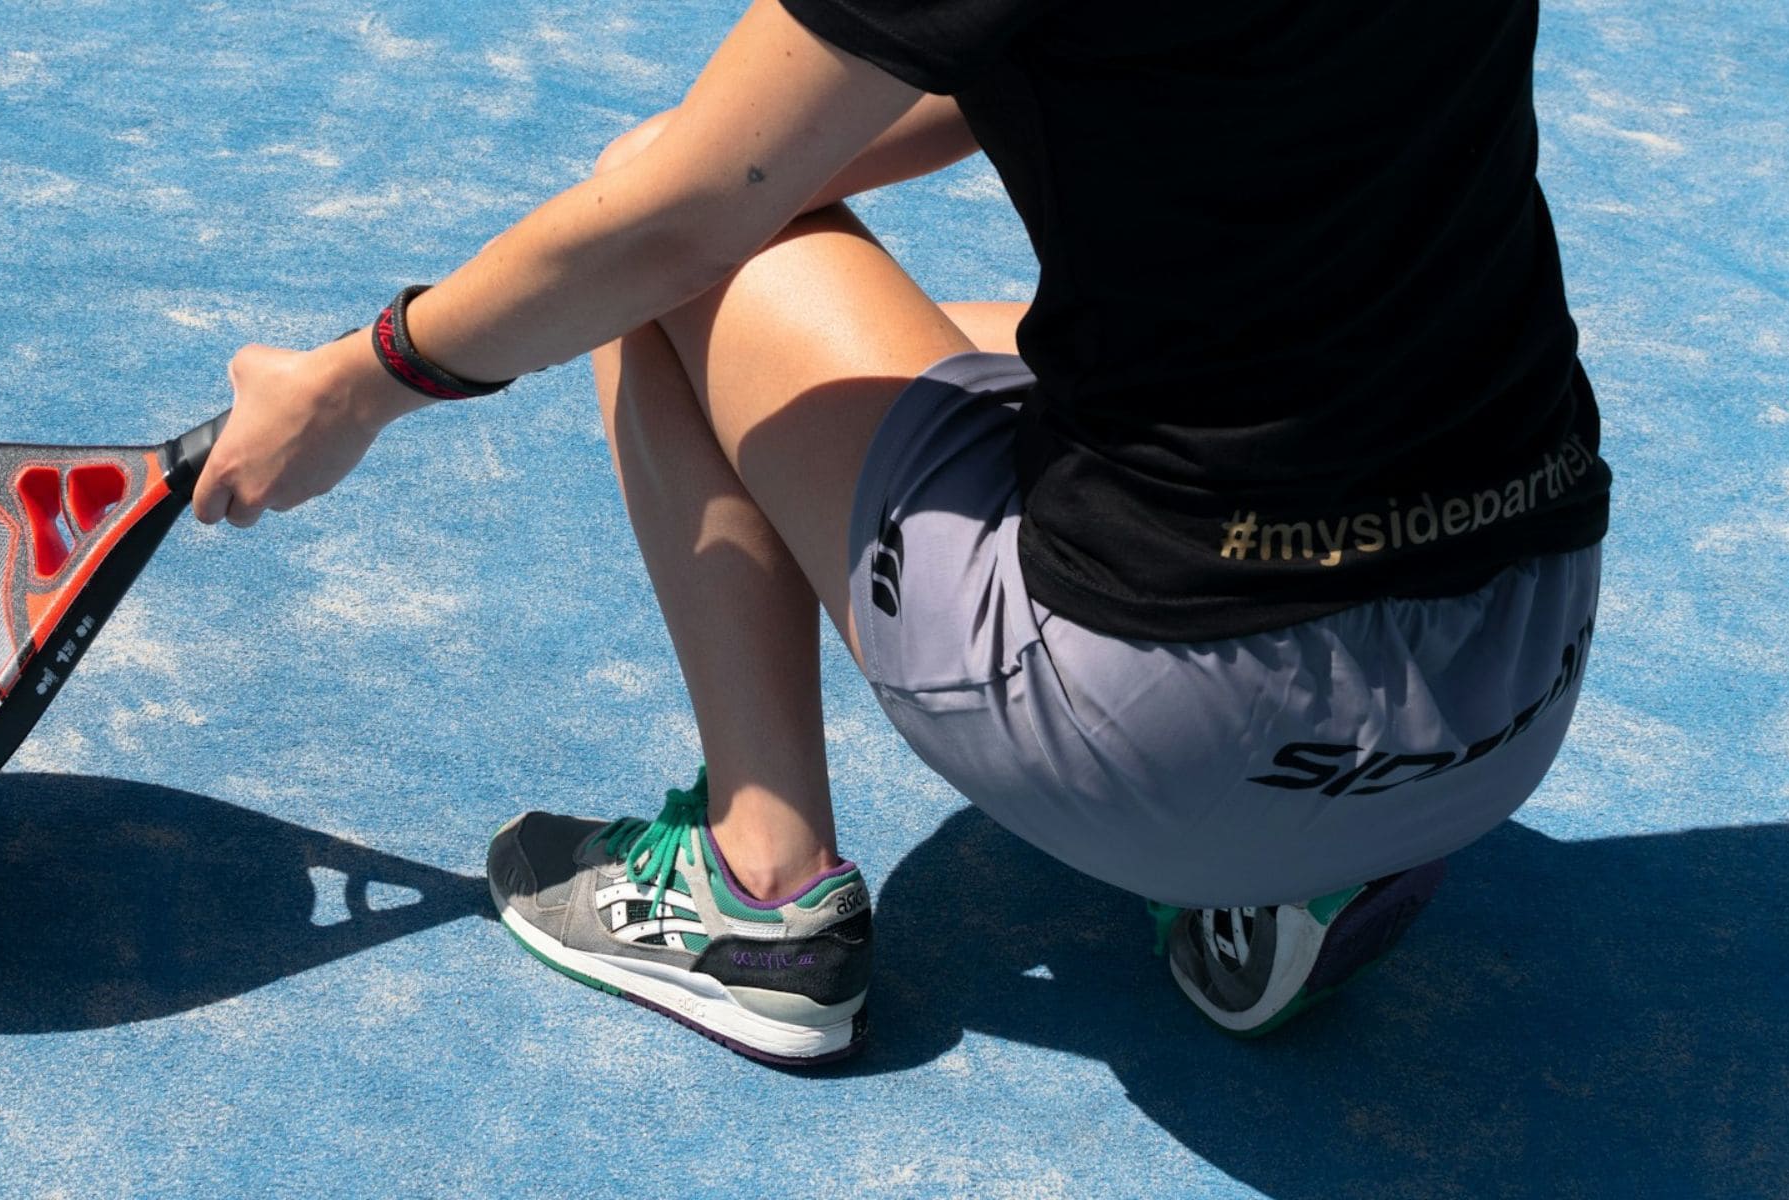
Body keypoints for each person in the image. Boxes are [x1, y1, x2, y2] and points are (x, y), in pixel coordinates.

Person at [190, 0, 1611, 1063]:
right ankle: (1304, 879)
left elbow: (675, 221)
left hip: (1190, 743)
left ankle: (760, 894)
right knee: (1091, 357)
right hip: (1513, 682)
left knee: (676, 251)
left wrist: (354, 384)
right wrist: (783, 158)